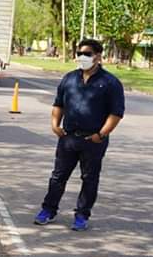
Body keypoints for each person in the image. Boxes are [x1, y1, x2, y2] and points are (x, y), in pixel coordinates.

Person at [34, 39, 125, 231]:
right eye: (80, 54)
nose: (82, 58)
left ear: (98, 56)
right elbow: (58, 104)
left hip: (93, 140)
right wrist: (54, 125)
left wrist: (101, 134)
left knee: (89, 178)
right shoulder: (69, 79)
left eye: (87, 54)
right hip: (68, 138)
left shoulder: (110, 83)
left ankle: (82, 215)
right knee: (58, 176)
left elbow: (116, 113)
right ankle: (48, 210)